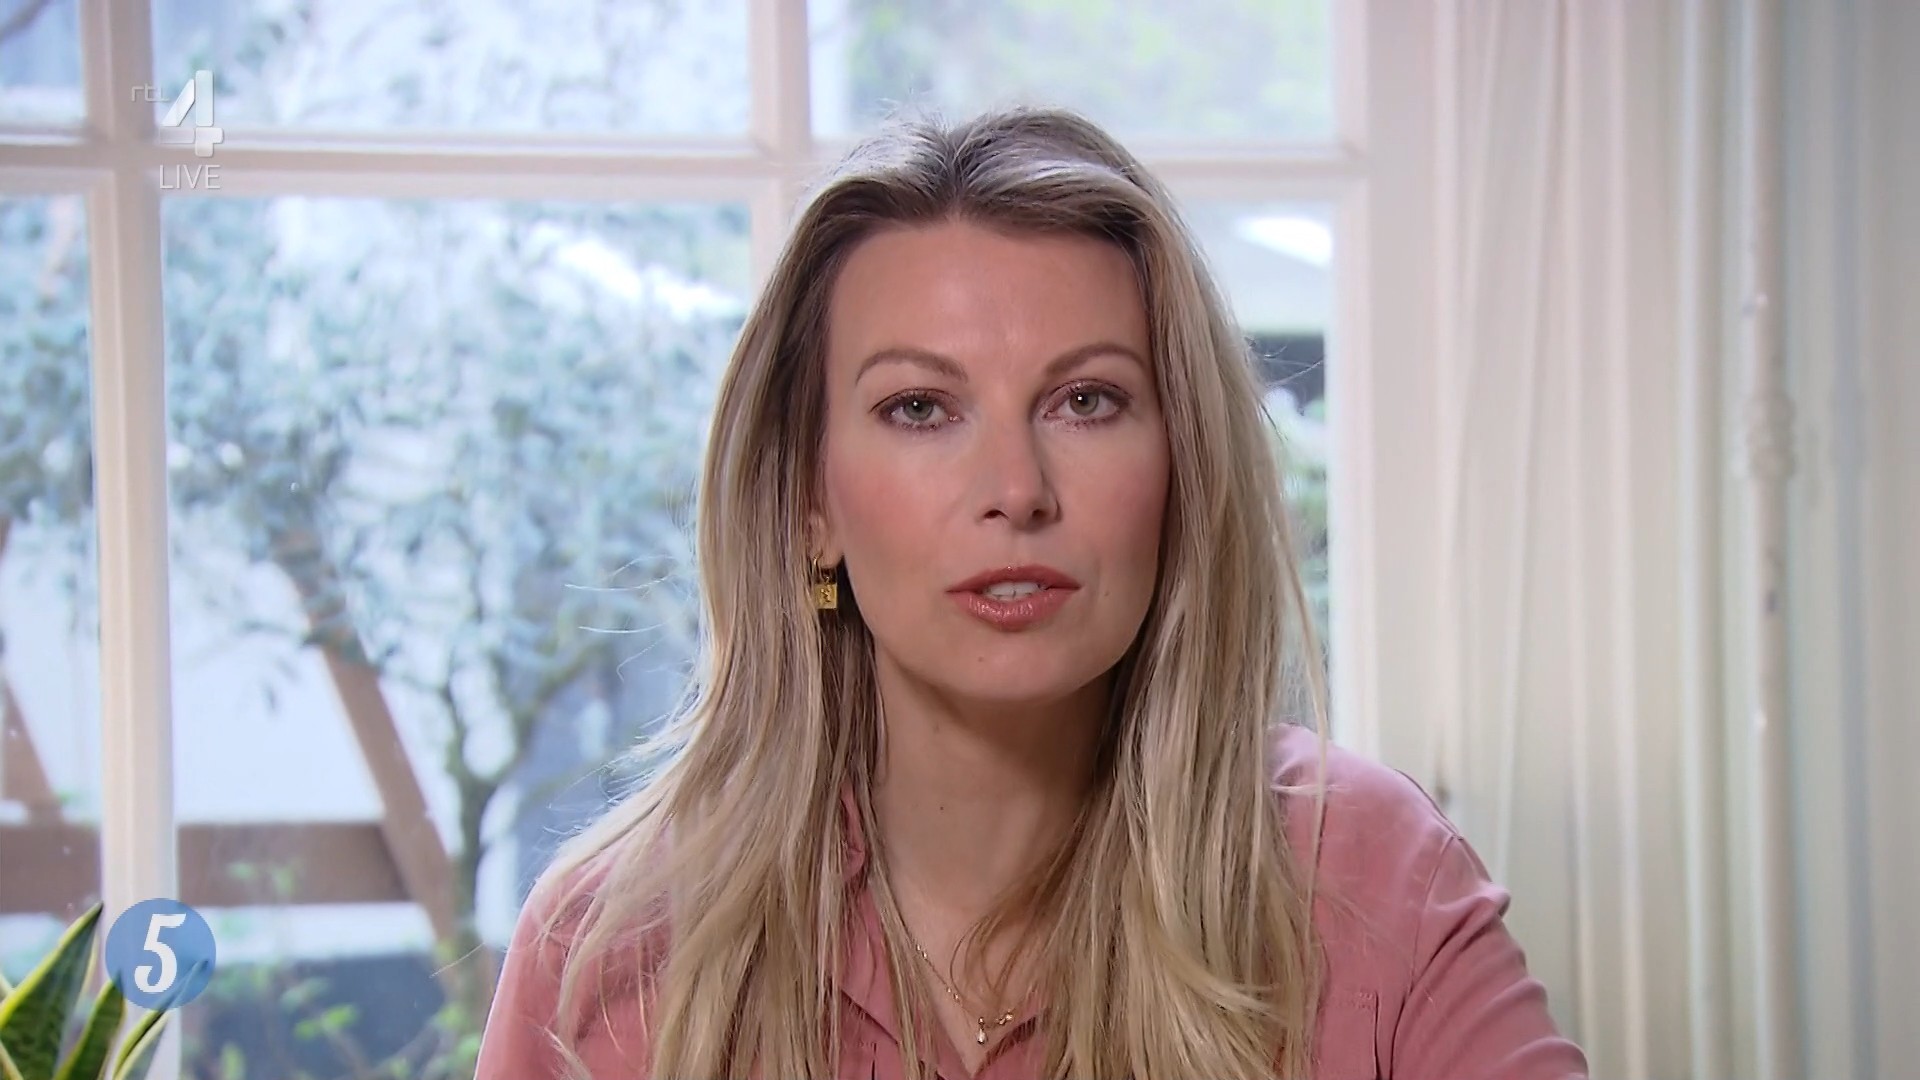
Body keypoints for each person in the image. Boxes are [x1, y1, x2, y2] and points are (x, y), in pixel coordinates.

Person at [472, 105, 1588, 1080]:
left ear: (1183, 469)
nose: (1016, 490)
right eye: (920, 409)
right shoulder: (612, 948)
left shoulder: (1369, 875)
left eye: (1087, 401)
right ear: (811, 502)